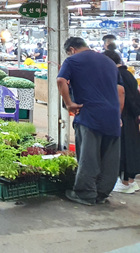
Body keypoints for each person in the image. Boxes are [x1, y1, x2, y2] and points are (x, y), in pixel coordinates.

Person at [57, 36, 122, 205]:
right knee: (110, 158)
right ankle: (102, 193)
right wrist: (118, 115)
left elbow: (61, 80)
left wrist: (69, 104)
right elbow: (120, 90)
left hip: (90, 115)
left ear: (72, 49)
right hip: (112, 116)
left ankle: (85, 194)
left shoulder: (72, 60)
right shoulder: (109, 62)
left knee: (88, 155)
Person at [104, 48, 140, 194]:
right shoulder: (128, 74)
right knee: (132, 147)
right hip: (132, 117)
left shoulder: (118, 75)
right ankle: (131, 181)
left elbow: (124, 96)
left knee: (124, 149)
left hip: (123, 116)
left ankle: (124, 182)